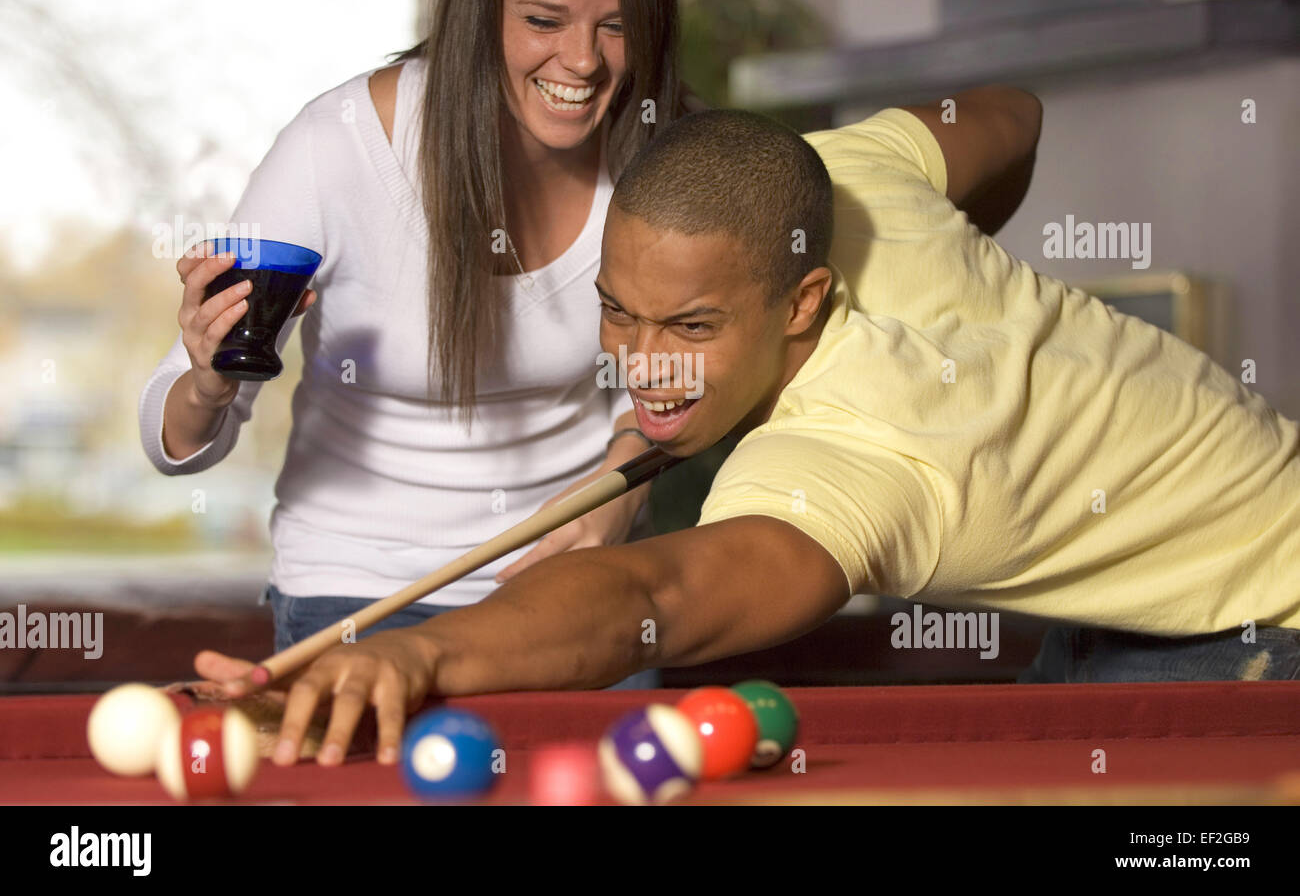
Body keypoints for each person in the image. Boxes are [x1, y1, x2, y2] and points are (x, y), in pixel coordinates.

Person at [203, 89, 1300, 768]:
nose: (644, 361)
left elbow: (650, 598)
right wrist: (965, 262)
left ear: (805, 300)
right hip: (1146, 590)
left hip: (1265, 623)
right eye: (617, 310)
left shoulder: (861, 467)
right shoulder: (845, 179)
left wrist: (415, 651)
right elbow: (1011, 111)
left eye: (690, 325)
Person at [137, 0, 687, 687]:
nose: (583, 61)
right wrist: (206, 382)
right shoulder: (338, 146)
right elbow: (181, 443)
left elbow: (675, 381)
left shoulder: (665, 150)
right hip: (357, 593)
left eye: (617, 27)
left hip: (567, 586)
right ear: (478, 8)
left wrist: (621, 494)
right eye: (543, 19)